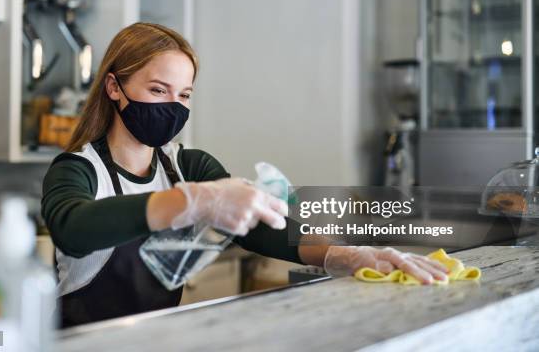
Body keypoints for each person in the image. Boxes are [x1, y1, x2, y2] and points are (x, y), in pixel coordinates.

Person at [41, 22, 448, 328]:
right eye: (158, 90)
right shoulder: (78, 170)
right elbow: (73, 228)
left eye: (184, 95)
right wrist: (192, 201)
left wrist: (343, 254)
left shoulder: (189, 165)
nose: (173, 105)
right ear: (114, 87)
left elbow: (260, 229)